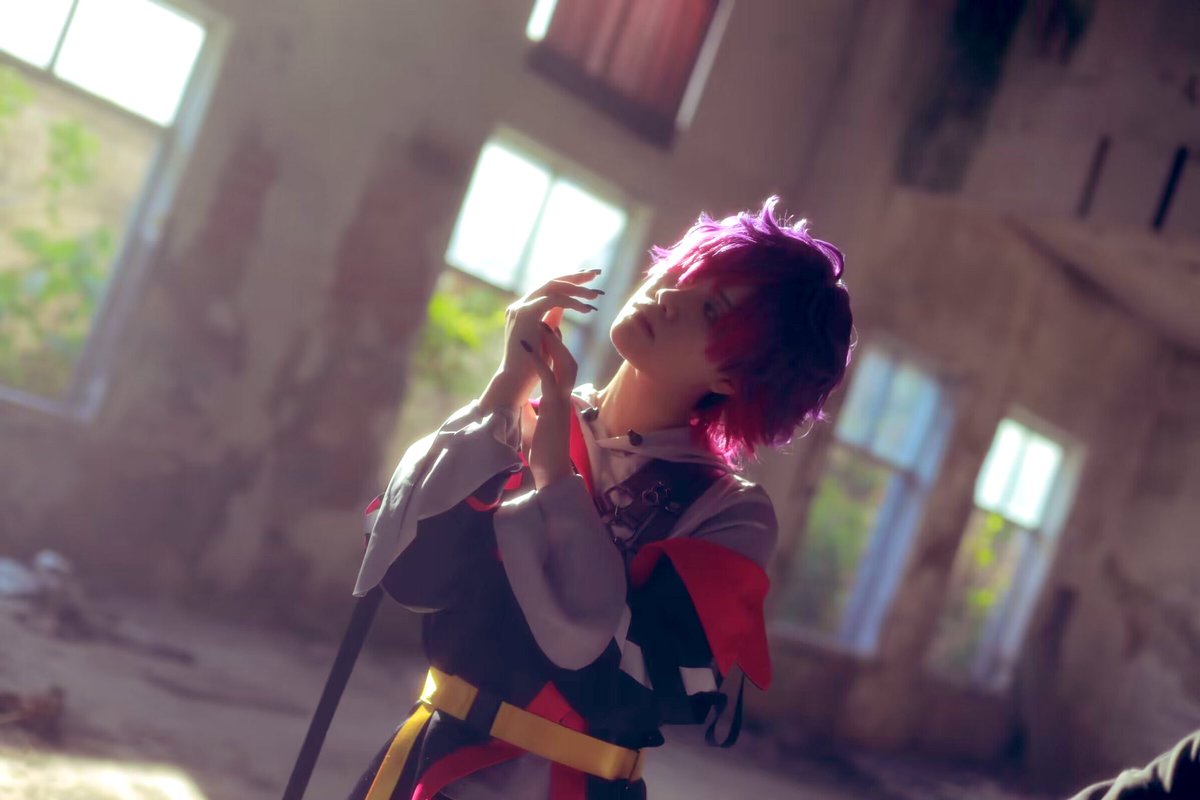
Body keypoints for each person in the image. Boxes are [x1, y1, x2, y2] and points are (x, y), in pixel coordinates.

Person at [346, 197, 854, 800]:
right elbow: (408, 572)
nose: (670, 295)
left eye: (712, 309)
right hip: (425, 767)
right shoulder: (515, 421)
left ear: (737, 377)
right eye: (682, 272)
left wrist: (556, 479)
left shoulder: (729, 512)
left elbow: (629, 685)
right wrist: (503, 392)